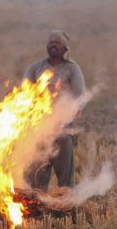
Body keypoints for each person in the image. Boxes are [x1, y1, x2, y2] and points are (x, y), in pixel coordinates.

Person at [23, 30, 86, 191]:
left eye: (57, 42)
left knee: (65, 180)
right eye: (50, 42)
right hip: (39, 131)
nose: (53, 44)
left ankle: (65, 209)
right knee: (37, 178)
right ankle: (39, 210)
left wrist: (76, 109)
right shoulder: (35, 68)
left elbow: (80, 95)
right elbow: (23, 93)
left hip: (63, 131)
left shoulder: (73, 69)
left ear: (65, 47)